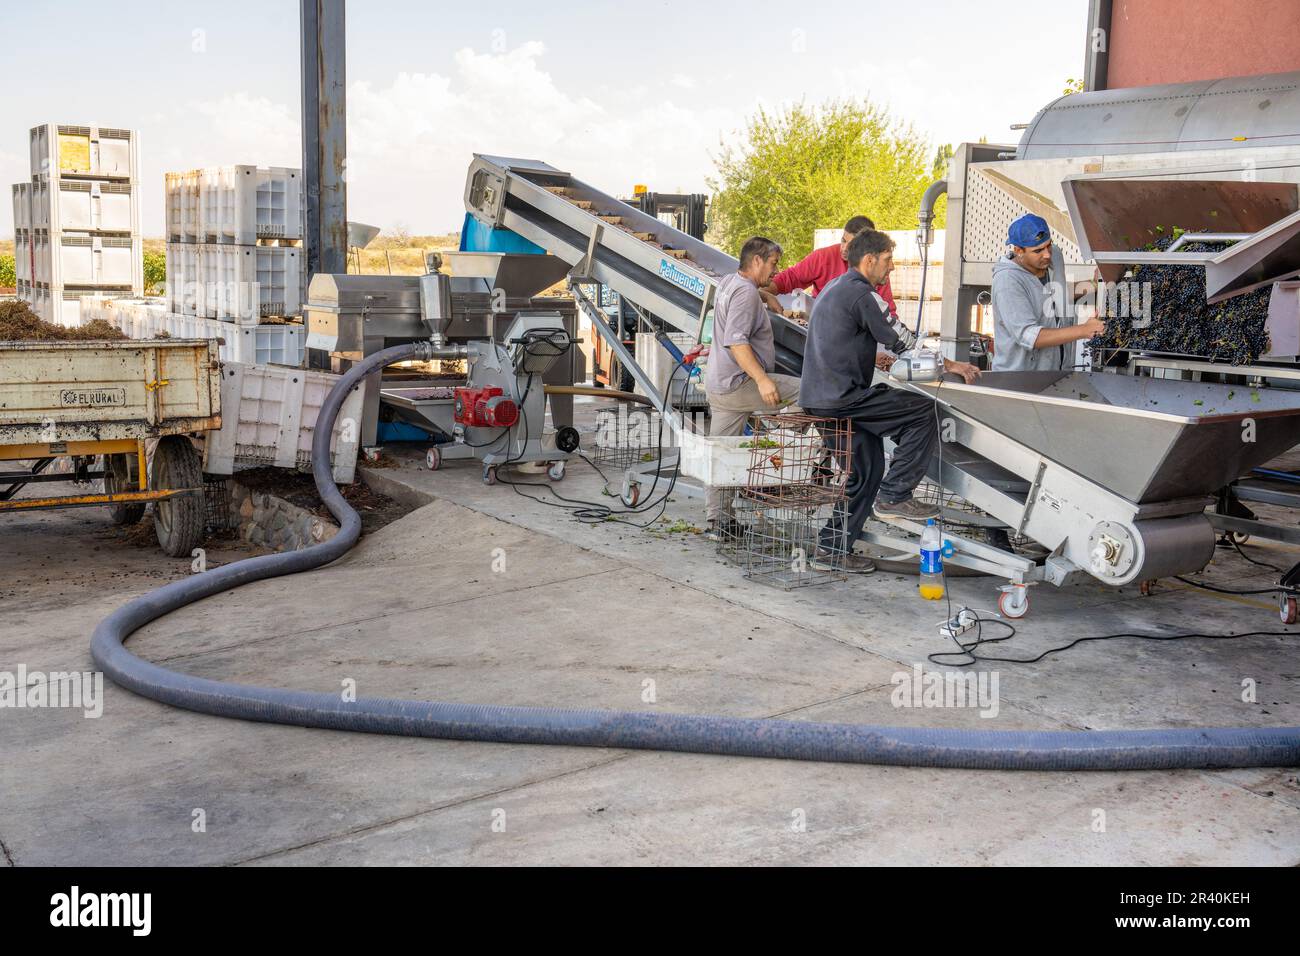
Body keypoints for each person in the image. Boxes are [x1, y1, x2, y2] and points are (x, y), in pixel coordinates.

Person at [799, 230, 981, 573]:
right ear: (869, 260)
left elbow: (851, 339)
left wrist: (872, 356)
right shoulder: (861, 293)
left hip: (820, 398)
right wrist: (952, 366)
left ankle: (829, 550)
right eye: (887, 260)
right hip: (844, 398)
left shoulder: (836, 288)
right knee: (922, 411)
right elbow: (903, 340)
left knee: (865, 472)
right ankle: (896, 495)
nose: (892, 267)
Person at [704, 236, 802, 539]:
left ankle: (719, 522)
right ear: (757, 260)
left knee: (721, 451)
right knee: (808, 390)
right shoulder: (746, 294)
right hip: (740, 383)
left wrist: (767, 296)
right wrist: (762, 379)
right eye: (773, 263)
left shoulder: (730, 282)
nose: (776, 271)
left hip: (719, 384)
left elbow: (747, 292)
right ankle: (789, 446)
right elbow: (737, 341)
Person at [991, 213, 1104, 371]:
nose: (1047, 254)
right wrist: (1083, 330)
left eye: (1049, 245)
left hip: (1057, 374)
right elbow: (1029, 336)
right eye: (1038, 251)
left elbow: (1055, 294)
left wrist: (1093, 284)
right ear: (1018, 250)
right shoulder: (1007, 282)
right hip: (1019, 381)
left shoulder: (1054, 255)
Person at [758, 215, 899, 319]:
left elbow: (888, 313)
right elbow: (789, 278)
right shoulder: (823, 257)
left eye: (851, 245)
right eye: (843, 240)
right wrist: (763, 295)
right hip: (822, 328)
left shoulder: (875, 271)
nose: (843, 248)